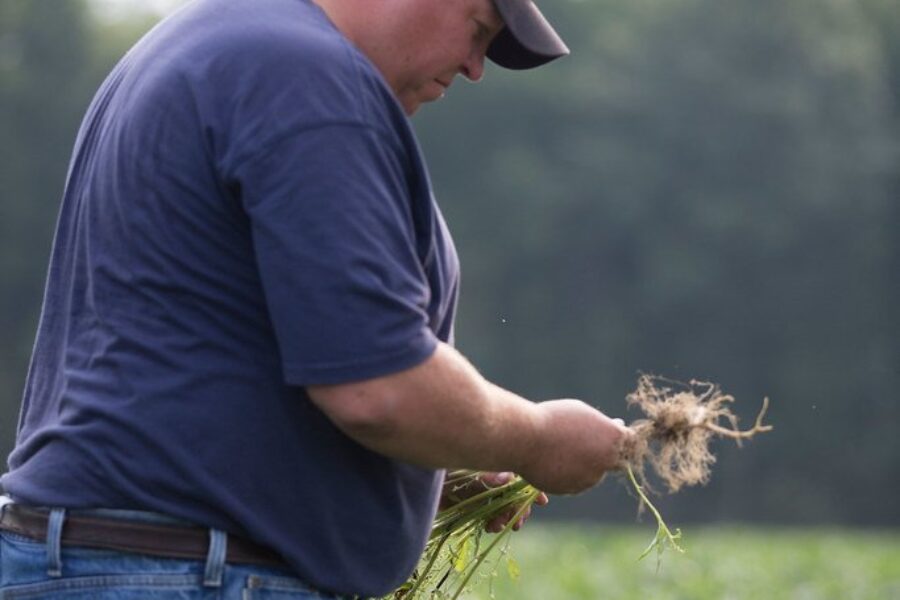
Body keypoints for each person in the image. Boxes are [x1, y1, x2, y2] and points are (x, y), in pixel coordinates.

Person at [0, 0, 631, 597]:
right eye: (479, 29)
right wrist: (537, 439)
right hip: (184, 572)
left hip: (120, 558)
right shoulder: (308, 77)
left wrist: (418, 470)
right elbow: (376, 392)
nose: (474, 67)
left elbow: (208, 370)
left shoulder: (220, 44)